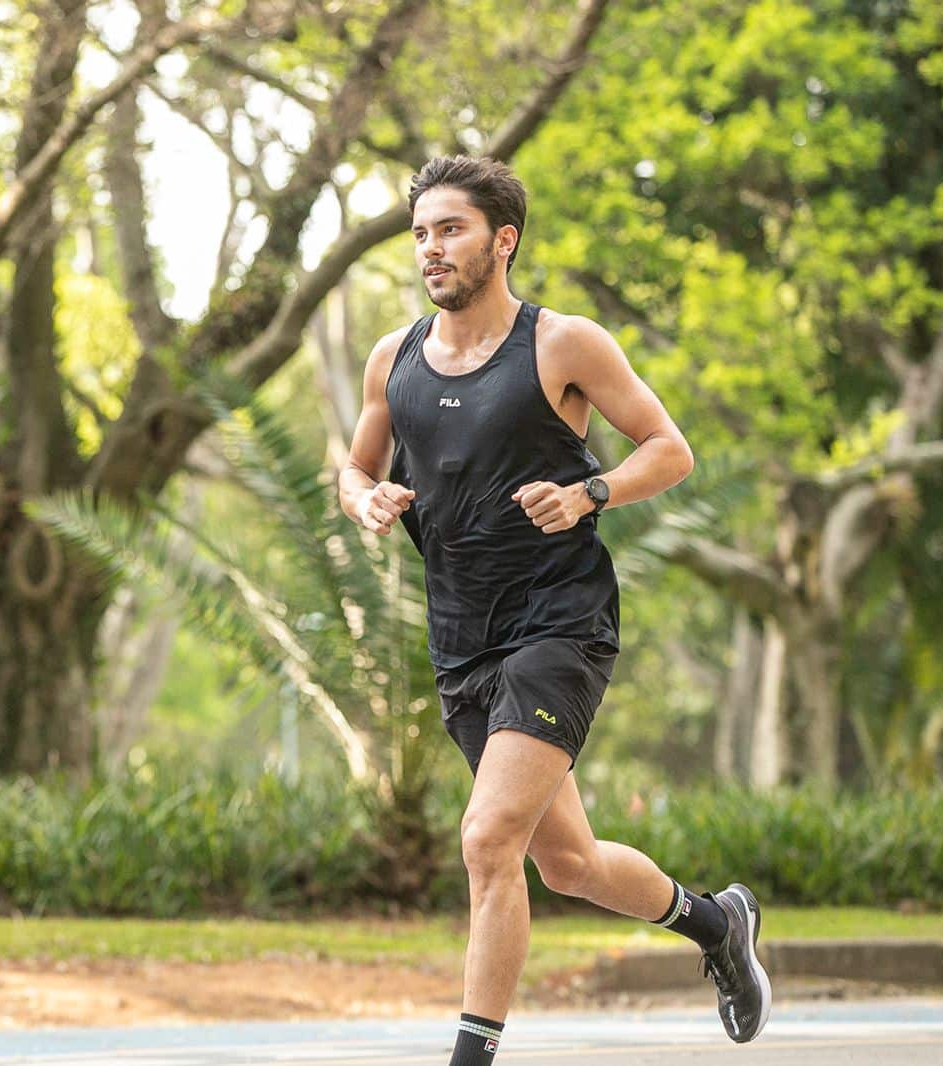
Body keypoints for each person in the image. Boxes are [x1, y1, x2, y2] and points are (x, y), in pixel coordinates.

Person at [337, 156, 771, 1063]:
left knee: (488, 836)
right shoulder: (396, 359)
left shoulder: (563, 344)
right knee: (566, 864)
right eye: (419, 233)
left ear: (504, 240)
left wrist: (590, 495)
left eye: (449, 229)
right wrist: (364, 498)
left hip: (560, 622)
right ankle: (717, 924)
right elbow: (355, 465)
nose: (430, 249)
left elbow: (669, 448)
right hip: (462, 639)